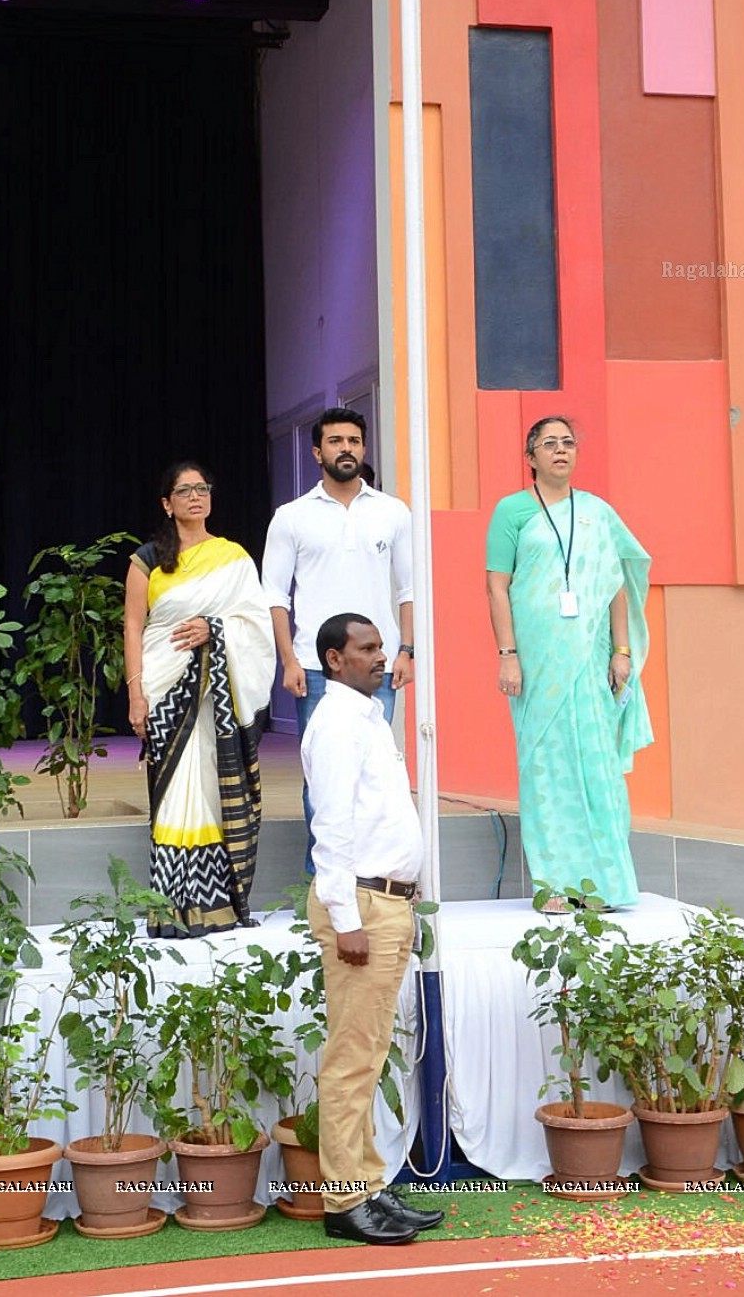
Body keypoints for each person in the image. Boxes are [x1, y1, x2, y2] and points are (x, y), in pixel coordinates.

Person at [303, 612, 443, 1245]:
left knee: (368, 1054)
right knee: (352, 1060)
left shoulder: (366, 717)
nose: (381, 657)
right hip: (359, 904)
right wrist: (347, 919)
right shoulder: (335, 724)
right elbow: (330, 829)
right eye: (367, 648)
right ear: (335, 659)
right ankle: (342, 1202)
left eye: (381, 646)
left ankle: (367, 1188)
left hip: (384, 904)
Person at [485, 416, 652, 911]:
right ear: (530, 457)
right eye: (549, 444)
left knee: (597, 768)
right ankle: (555, 884)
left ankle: (604, 885)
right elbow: (497, 586)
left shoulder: (598, 513)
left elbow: (615, 582)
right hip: (537, 665)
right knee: (545, 767)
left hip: (591, 656)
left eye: (569, 443)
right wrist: (508, 656)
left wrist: (621, 651)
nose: (561, 450)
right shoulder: (512, 511)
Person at [123, 461, 274, 937]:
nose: (196, 497)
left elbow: (256, 622)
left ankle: (216, 904)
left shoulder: (232, 558)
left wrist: (216, 630)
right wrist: (135, 693)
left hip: (215, 695)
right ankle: (169, 907)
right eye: (184, 491)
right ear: (167, 503)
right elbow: (132, 626)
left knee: (209, 789)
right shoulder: (147, 559)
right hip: (163, 687)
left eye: (202, 488)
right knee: (171, 795)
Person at [261, 407, 413, 866]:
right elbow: (274, 595)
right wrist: (288, 660)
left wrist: (407, 649)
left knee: (375, 769)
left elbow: (408, 588)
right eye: (334, 441)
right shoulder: (292, 516)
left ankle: (370, 874)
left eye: (353, 440)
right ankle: (323, 881)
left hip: (377, 668)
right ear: (316, 451)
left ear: (364, 449)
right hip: (315, 666)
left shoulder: (392, 512)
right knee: (323, 773)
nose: (345, 448)